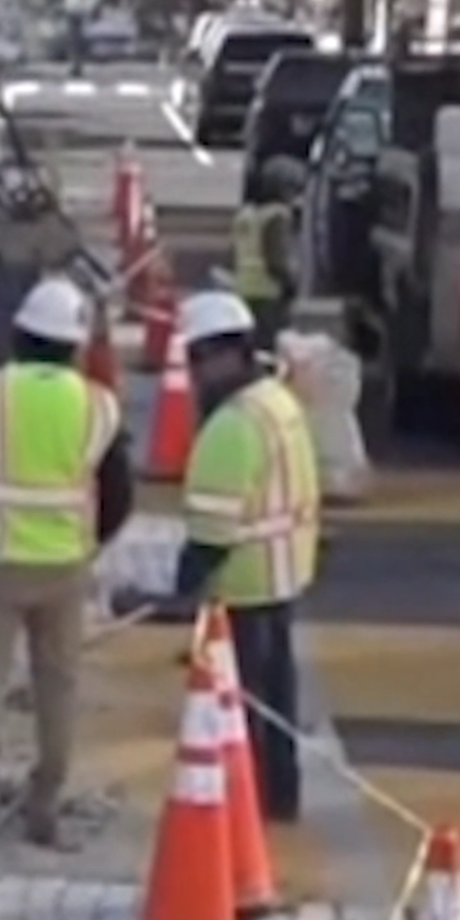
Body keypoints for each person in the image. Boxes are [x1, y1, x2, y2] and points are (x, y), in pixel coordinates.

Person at [0, 275, 133, 850]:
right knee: (58, 689)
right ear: (73, 345)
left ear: (19, 336)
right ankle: (43, 807)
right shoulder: (97, 406)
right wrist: (88, 541)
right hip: (64, 567)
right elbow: (118, 496)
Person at [168, 288, 321, 822]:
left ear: (222, 356)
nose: (192, 375)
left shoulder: (232, 426)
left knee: (245, 709)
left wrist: (181, 590)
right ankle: (281, 800)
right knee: (277, 702)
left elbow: (211, 533)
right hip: (283, 573)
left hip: (245, 582)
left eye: (196, 360)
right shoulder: (277, 402)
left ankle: (247, 812)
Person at [231, 155, 306, 350]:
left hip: (244, 289)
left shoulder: (245, 215)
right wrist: (292, 283)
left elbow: (234, 254)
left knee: (250, 345)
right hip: (269, 293)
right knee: (271, 347)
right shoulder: (278, 216)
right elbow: (277, 257)